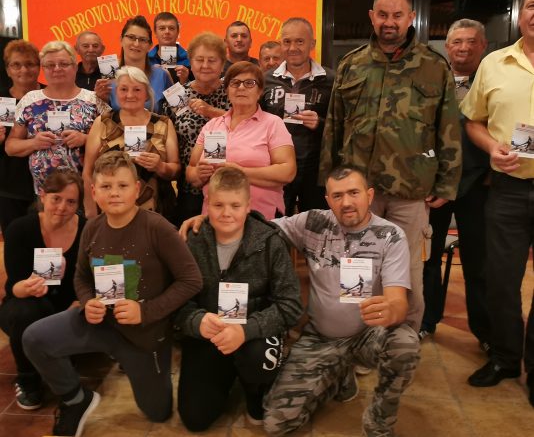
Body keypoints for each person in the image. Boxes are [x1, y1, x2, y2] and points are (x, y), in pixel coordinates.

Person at [180, 165, 419, 436]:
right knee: (276, 423)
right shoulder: (312, 223)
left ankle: (379, 423)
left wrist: (392, 310)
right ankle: (338, 376)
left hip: (367, 335)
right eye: (337, 195)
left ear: (370, 195)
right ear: (328, 200)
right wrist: (207, 220)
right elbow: (255, 226)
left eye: (354, 193)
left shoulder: (390, 235)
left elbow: (398, 303)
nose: (346, 202)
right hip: (320, 338)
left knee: (404, 344)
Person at [22, 151, 203, 437]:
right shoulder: (92, 228)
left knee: (157, 412)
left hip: (143, 336)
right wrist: (87, 302)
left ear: (137, 189)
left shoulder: (157, 228)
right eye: (106, 186)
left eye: (122, 185)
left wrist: (146, 311)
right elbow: (81, 276)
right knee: (34, 338)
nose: (114, 193)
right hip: (100, 324)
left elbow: (191, 280)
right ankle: (75, 399)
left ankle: (141, 371)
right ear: (94, 192)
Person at [319, 0, 462, 331]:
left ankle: (403, 340)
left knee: (407, 272)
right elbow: (333, 125)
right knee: (357, 268)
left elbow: (448, 127)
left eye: (398, 15)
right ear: (372, 17)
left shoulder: (433, 66)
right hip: (358, 191)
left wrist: (446, 183)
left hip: (410, 190)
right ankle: (357, 336)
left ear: (411, 17)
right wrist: (328, 181)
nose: (390, 22)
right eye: (383, 15)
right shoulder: (352, 64)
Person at [175, 166, 302, 430]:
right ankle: (227, 374)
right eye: (218, 205)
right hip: (209, 334)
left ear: (248, 206)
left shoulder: (270, 242)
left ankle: (255, 391)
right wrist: (197, 321)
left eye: (235, 205)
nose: (226, 213)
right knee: (195, 419)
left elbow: (290, 306)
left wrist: (245, 331)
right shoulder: (192, 242)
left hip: (254, 336)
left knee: (258, 361)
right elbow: (176, 300)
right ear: (207, 203)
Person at [460, 0, 534, 406]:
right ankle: (505, 357)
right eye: (531, 5)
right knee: (501, 280)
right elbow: (473, 120)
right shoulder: (494, 63)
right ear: (521, 13)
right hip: (507, 189)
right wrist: (491, 148)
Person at [420, 19, 491, 350]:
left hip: (480, 186)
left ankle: (485, 333)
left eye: (471, 41)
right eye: (457, 42)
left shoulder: (493, 80)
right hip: (436, 187)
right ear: (446, 47)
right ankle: (426, 321)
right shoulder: (432, 81)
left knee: (479, 262)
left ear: (483, 45)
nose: (464, 47)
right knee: (428, 258)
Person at [0, 170, 86, 410]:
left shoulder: (87, 230)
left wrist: (82, 301)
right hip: (27, 307)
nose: (62, 207)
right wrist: (25, 288)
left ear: (78, 205)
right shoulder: (20, 229)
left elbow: (90, 279)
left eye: (71, 202)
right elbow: (13, 288)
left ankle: (59, 358)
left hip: (69, 308)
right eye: (56, 198)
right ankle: (28, 380)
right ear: (43, 196)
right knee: (25, 311)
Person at [187, 61, 296, 220]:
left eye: (249, 83)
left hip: (260, 218)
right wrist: (198, 174)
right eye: (235, 83)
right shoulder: (212, 125)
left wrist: (240, 172)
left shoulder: (273, 124)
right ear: (227, 90)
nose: (241, 87)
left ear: (260, 91)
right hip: (215, 218)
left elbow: (288, 171)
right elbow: (191, 170)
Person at [5, 40, 110, 194]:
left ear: (75, 67)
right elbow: (10, 146)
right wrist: (34, 143)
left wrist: (86, 139)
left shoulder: (94, 101)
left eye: (63, 64)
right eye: (50, 65)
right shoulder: (29, 100)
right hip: (44, 195)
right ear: (43, 69)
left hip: (88, 193)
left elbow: (114, 142)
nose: (57, 69)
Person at [82, 66, 179, 219]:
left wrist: (161, 167)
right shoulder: (102, 122)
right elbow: (88, 172)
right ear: (116, 92)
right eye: (124, 89)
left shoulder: (163, 123)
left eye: (137, 90)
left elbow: (176, 169)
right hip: (110, 211)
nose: (130, 95)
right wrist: (91, 211)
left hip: (155, 213)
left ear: (146, 94)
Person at [261, 17, 334, 214]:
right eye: (287, 41)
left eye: (300, 41)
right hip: (275, 168)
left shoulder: (331, 80)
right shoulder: (265, 80)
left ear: (312, 44)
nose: (293, 48)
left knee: (315, 226)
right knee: (276, 225)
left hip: (315, 171)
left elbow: (343, 126)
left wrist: (320, 123)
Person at [162, 32, 230, 225]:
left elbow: (246, 124)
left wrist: (211, 111)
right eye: (199, 60)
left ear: (222, 64)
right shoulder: (177, 96)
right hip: (189, 188)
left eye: (212, 60)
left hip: (230, 184)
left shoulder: (234, 92)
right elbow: (168, 138)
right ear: (190, 63)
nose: (205, 65)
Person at [0, 39, 41, 233]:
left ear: (39, 67)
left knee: (47, 244)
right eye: (16, 65)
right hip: (10, 187)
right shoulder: (2, 101)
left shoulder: (50, 95)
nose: (24, 70)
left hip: (47, 187)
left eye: (30, 64)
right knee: (15, 242)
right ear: (8, 70)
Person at [95, 16, 173, 114]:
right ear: (121, 40)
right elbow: (101, 117)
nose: (136, 44)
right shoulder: (108, 77)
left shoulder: (162, 75)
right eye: (131, 37)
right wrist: (101, 100)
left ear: (150, 45)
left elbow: (180, 110)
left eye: (143, 39)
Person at [148, 11, 191, 85]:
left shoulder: (190, 60)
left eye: (171, 28)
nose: (167, 32)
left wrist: (185, 81)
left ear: (178, 32)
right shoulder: (146, 60)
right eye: (162, 28)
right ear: (155, 32)